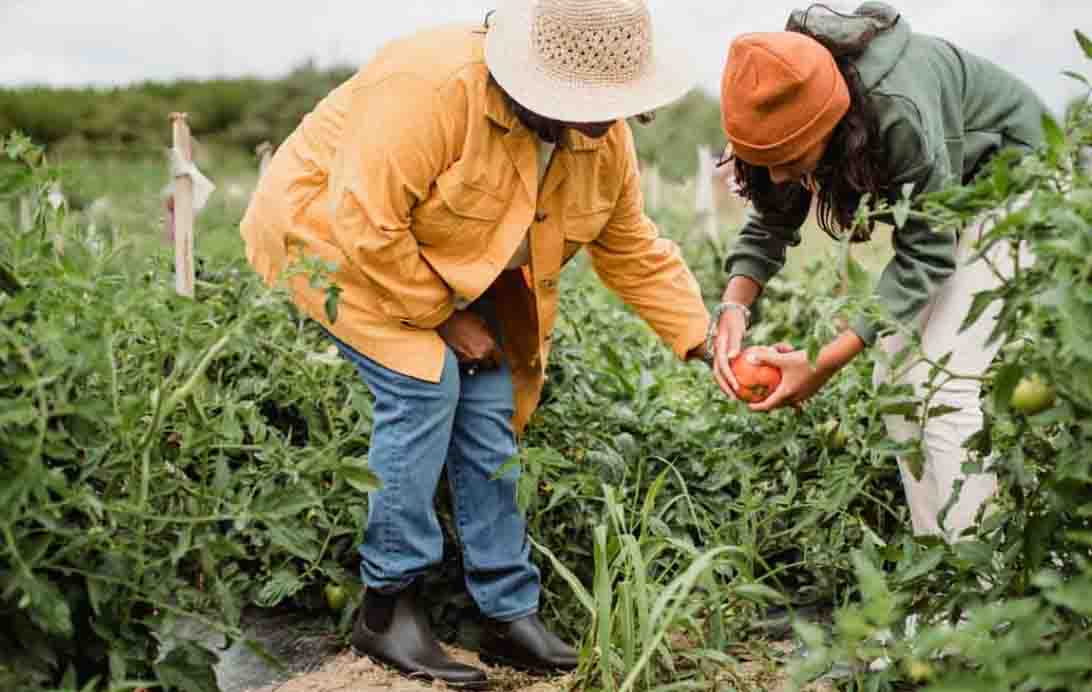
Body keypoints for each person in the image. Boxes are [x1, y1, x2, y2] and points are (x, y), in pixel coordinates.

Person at [240, 0, 712, 686]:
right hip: (329, 237)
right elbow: (365, 225)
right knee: (425, 380)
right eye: (592, 103)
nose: (606, 121)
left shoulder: (599, 138)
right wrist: (445, 317)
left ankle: (506, 613)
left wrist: (702, 340)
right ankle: (386, 604)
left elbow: (632, 248)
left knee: (490, 398)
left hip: (438, 254)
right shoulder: (431, 89)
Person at [711, 2, 1046, 540]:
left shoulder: (896, 108)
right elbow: (771, 218)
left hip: (1021, 185)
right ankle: (936, 573)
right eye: (765, 159)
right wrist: (734, 305)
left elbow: (927, 252)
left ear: (834, 126)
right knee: (893, 376)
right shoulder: (782, 98)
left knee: (944, 381)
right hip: (958, 202)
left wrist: (820, 362)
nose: (778, 174)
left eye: (792, 158)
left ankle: (980, 595)